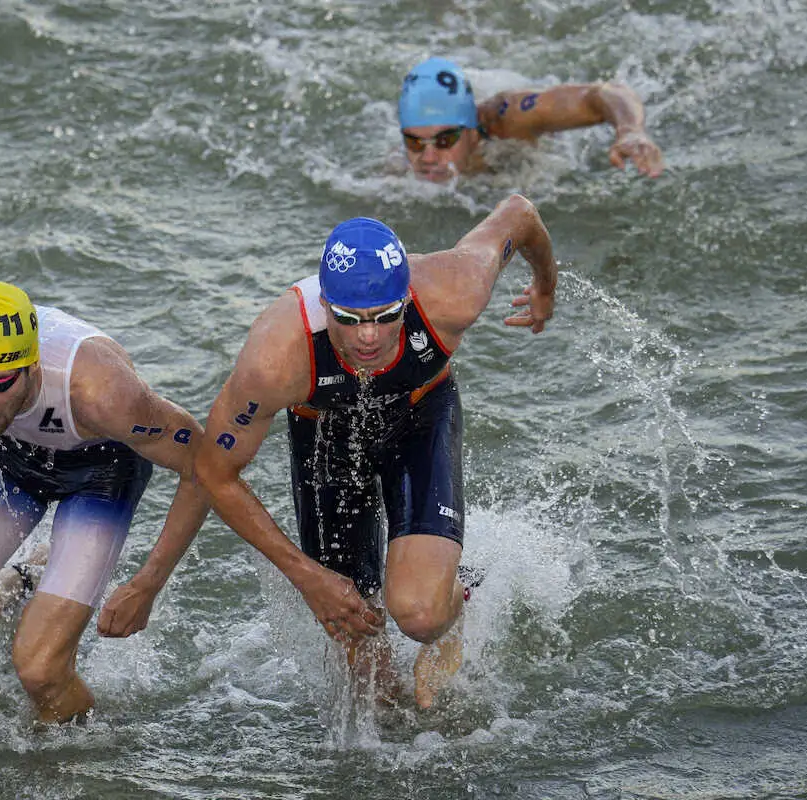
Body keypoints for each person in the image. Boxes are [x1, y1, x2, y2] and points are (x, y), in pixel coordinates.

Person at [193, 195, 557, 708]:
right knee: (368, 673)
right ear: (324, 304)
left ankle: (458, 594)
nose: (368, 336)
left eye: (386, 316)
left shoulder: (454, 289)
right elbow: (214, 471)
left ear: (406, 298)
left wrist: (545, 286)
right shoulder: (275, 358)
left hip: (420, 414)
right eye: (349, 318)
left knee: (421, 615)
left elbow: (519, 213)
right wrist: (307, 577)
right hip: (326, 436)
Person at [0, 280, 210, 723]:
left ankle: (80, 755)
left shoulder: (103, 393)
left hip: (101, 470)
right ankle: (24, 579)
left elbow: (203, 466)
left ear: (33, 366)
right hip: (12, 452)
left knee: (40, 671)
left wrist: (148, 584)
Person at [398, 56, 664, 182]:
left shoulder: (510, 118)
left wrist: (630, 131)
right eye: (415, 143)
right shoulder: (398, 173)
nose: (428, 157)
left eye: (445, 140)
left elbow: (606, 93)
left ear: (471, 129)